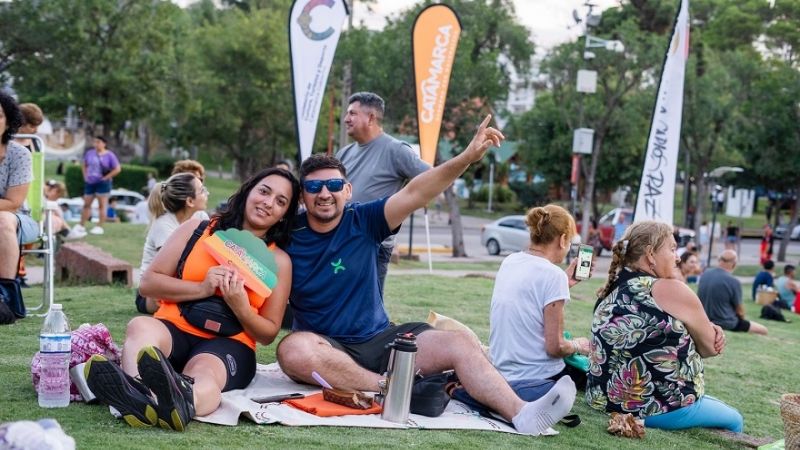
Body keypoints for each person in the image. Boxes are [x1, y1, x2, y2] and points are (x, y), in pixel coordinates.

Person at [277, 116, 578, 436]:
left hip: (381, 341)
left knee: (460, 342)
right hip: (325, 347)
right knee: (291, 351)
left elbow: (419, 190)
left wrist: (467, 157)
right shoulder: (286, 235)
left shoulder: (363, 220)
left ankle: (522, 413)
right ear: (302, 195)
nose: (325, 193)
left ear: (348, 190)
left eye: (334, 185)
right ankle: (395, 389)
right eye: (313, 186)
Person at [85, 167, 300, 431]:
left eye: (280, 201)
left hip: (229, 344)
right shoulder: (198, 229)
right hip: (174, 328)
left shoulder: (279, 261)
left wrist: (241, 308)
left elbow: (268, 333)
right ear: (248, 192)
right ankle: (138, 394)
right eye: (264, 192)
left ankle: (181, 401)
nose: (268, 203)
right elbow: (149, 283)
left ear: (284, 216)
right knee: (140, 326)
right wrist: (202, 288)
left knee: (205, 373)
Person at [587, 221, 742, 432]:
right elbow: (709, 349)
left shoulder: (613, 288)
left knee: (714, 404)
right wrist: (706, 329)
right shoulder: (669, 288)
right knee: (735, 419)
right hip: (657, 409)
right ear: (651, 254)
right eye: (672, 248)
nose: (678, 257)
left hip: (603, 401)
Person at [489, 204, 592, 393]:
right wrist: (579, 345)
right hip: (537, 376)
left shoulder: (510, 261)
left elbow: (529, 299)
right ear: (562, 240)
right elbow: (555, 347)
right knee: (593, 372)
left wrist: (564, 284)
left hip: (501, 370)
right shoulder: (553, 275)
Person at [335, 92, 430, 295]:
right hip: (341, 242)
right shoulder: (344, 154)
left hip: (373, 247)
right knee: (339, 302)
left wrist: (402, 204)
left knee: (367, 309)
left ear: (371, 118)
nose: (346, 119)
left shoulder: (396, 150)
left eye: (352, 113)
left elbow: (431, 179)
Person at [134, 173, 210, 314]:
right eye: (202, 190)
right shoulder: (164, 224)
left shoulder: (200, 217)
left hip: (185, 283)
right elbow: (172, 269)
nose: (207, 193)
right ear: (190, 201)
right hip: (151, 294)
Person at [0, 92, 39, 281]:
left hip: (17, 220)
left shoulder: (19, 154)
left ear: (8, 122)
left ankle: (5, 295)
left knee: (3, 220)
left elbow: (13, 203)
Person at [697, 250, 768, 335]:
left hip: (704, 320)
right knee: (764, 330)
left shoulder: (705, 274)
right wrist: (741, 319)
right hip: (726, 323)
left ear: (719, 260)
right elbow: (740, 310)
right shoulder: (733, 281)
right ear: (734, 263)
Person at [74, 136, 121, 236]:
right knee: (86, 204)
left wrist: (106, 177)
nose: (96, 144)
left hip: (103, 183)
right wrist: (85, 176)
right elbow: (84, 164)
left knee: (102, 205)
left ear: (104, 143)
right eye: (95, 142)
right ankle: (81, 225)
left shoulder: (110, 155)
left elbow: (117, 169)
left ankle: (99, 226)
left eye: (98, 142)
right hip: (90, 182)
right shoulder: (89, 153)